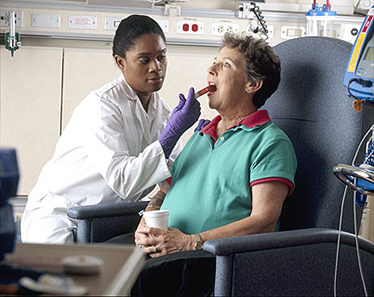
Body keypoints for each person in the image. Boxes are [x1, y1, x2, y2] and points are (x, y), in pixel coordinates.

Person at [117, 32, 298, 296]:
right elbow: (164, 192)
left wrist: (191, 242)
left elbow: (264, 222)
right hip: (164, 248)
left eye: (225, 65)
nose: (210, 69)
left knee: (120, 279)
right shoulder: (201, 134)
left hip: (211, 258)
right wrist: (145, 222)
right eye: (214, 62)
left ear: (252, 84)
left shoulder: (270, 142)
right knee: (88, 263)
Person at [20, 15, 201, 244]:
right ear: (120, 62)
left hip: (108, 219)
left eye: (161, 57)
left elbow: (173, 177)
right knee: (62, 279)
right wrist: (170, 136)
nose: (156, 67)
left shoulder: (163, 112)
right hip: (61, 216)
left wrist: (202, 149)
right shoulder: (102, 105)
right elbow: (123, 181)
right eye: (144, 60)